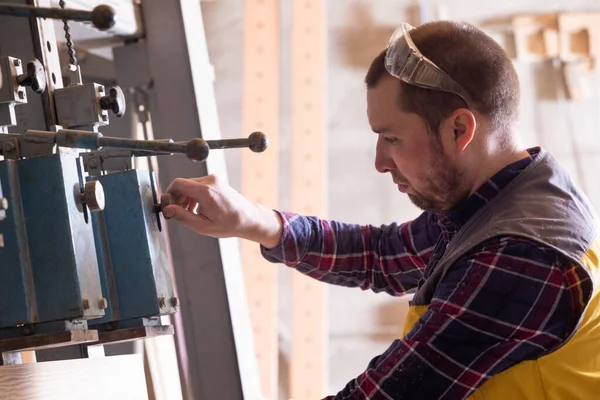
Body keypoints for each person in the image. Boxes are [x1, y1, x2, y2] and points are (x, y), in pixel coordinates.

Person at [162, 20, 600, 400]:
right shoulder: (502, 200)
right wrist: (255, 221)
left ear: (459, 128)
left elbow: (393, 394)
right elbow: (382, 255)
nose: (379, 162)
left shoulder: (522, 257)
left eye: (391, 138)